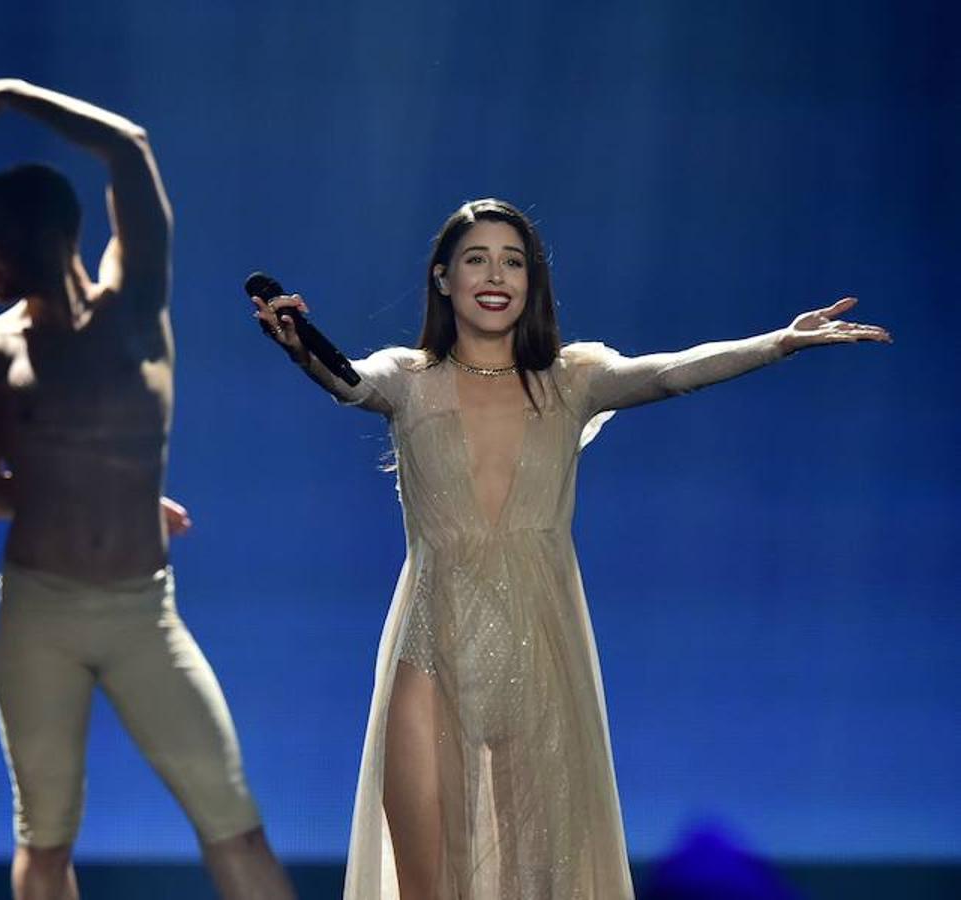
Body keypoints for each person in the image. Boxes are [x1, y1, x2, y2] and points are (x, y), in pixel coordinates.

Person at [249, 198, 890, 900]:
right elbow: (349, 381)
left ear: (532, 282)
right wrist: (300, 345)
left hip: (538, 654)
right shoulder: (408, 379)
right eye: (476, 260)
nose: (496, 275)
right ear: (442, 280)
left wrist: (779, 342)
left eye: (513, 261)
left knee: (539, 882)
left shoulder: (570, 380)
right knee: (421, 885)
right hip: (431, 646)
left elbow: (673, 371)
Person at [0, 80, 295, 900]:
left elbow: (129, 147)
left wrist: (7, 95)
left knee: (232, 820)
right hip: (41, 615)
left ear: (50, 233)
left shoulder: (134, 307)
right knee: (44, 840)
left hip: (144, 614)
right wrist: (77, 493)